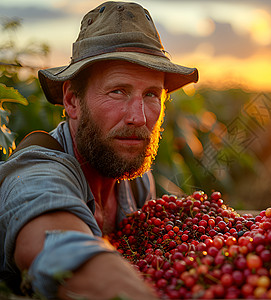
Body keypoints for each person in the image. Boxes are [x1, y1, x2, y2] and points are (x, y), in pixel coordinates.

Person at [0, 1, 198, 299]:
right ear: (72, 101)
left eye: (151, 94)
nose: (139, 117)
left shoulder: (137, 179)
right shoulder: (36, 171)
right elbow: (55, 246)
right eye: (118, 91)